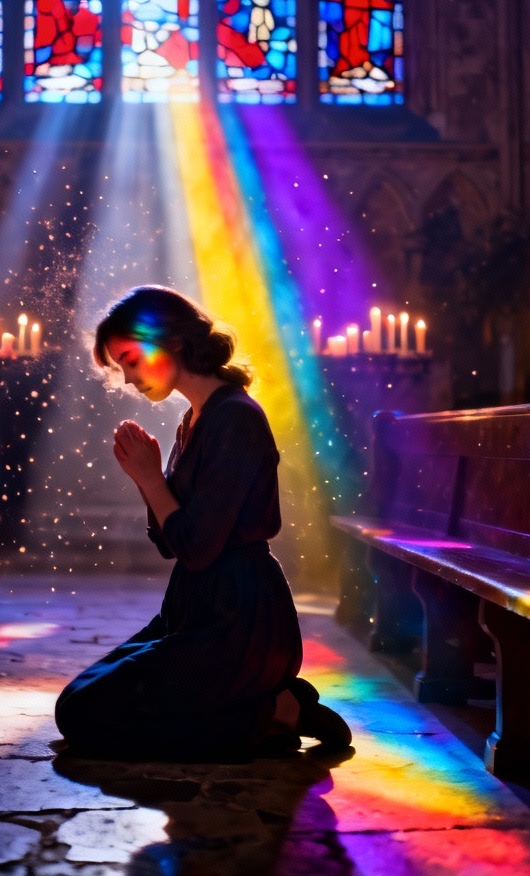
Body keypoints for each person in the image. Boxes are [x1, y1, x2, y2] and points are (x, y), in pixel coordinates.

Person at [54, 285, 351, 761]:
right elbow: (171, 544)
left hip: (238, 618)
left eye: (131, 359)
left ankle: (277, 711)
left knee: (87, 717)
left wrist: (152, 481)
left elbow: (198, 547)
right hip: (191, 608)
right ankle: (254, 710)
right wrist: (148, 478)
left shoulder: (235, 418)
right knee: (77, 700)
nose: (129, 379)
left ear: (170, 341)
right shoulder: (192, 421)